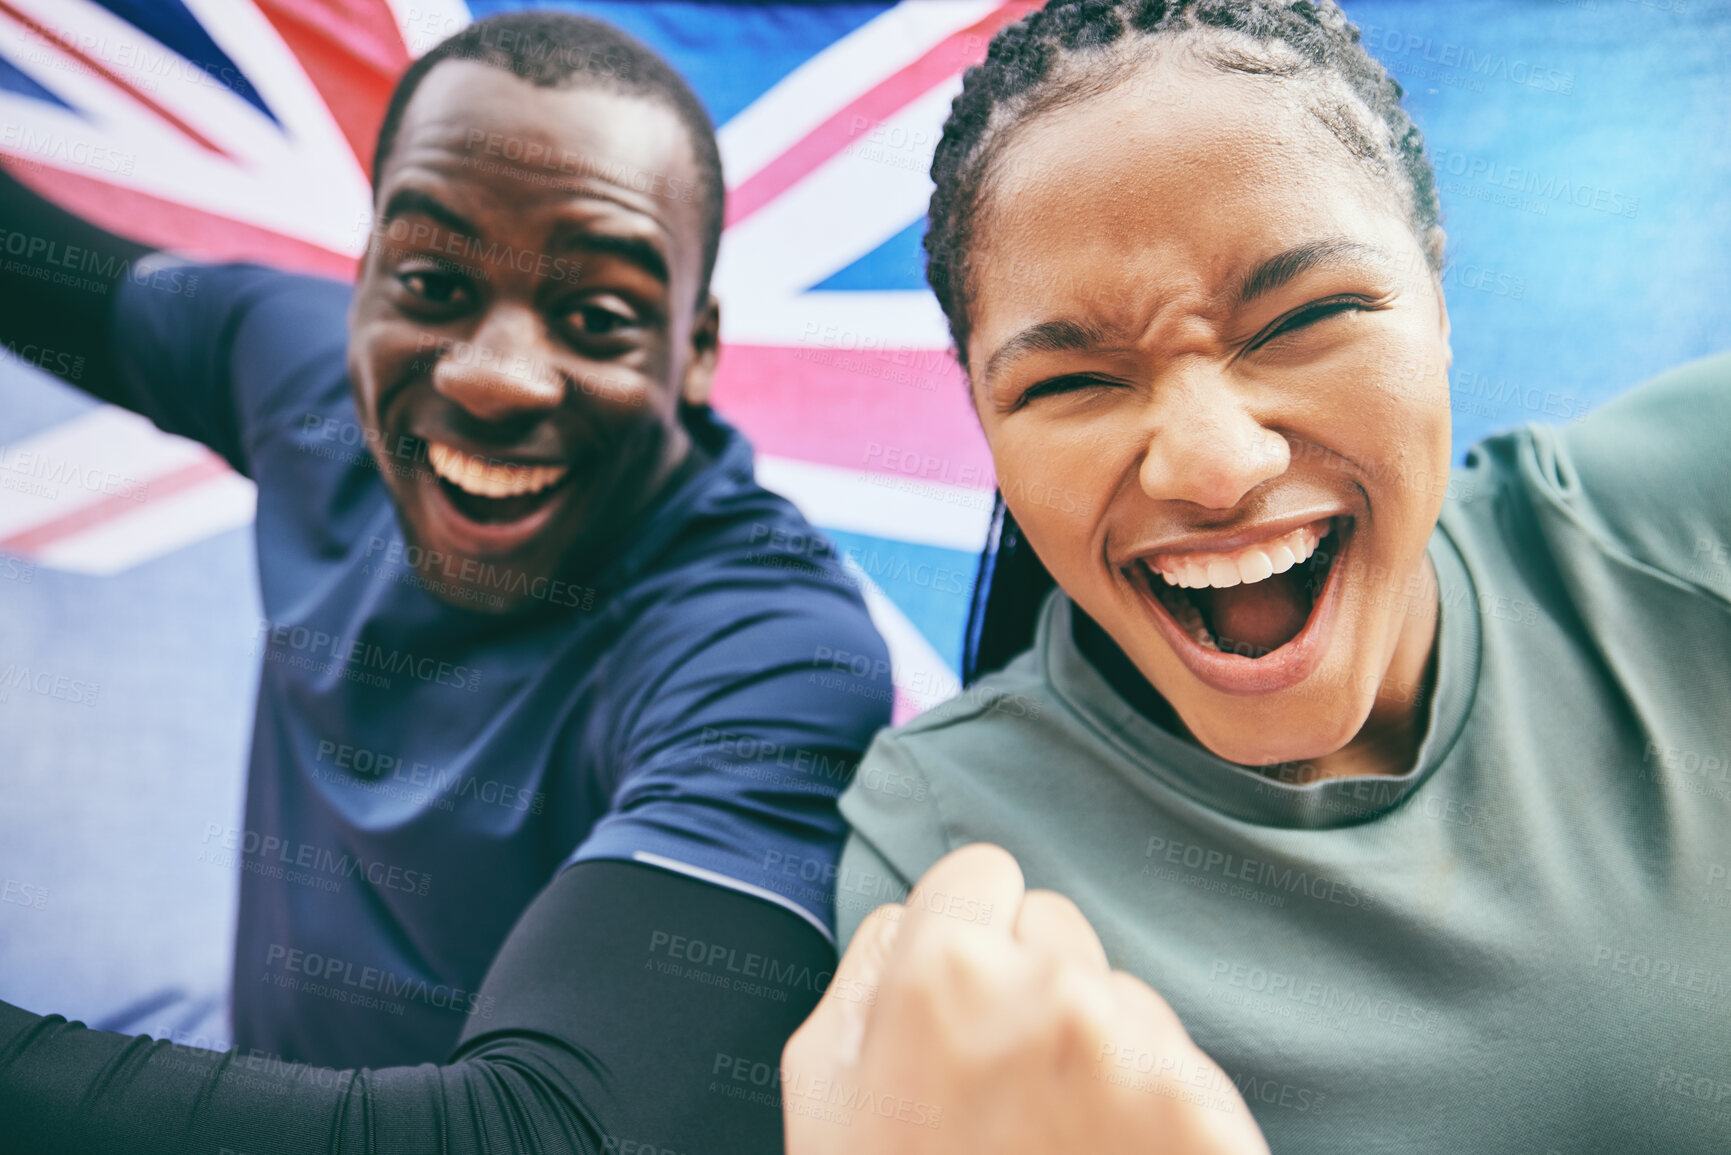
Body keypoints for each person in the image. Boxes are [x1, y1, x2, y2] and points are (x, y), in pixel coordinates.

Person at [802, 1, 1731, 1152]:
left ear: (1438, 307)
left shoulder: (1689, 512)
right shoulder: (952, 856)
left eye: (1309, 314)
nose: (1213, 465)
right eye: (1070, 384)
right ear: (988, 426)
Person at [0, 12, 891, 1153]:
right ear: (364, 278)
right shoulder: (298, 371)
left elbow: (557, 1134)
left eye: (595, 318)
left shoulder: (773, 654)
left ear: (699, 347)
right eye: (431, 281)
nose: (494, 378)